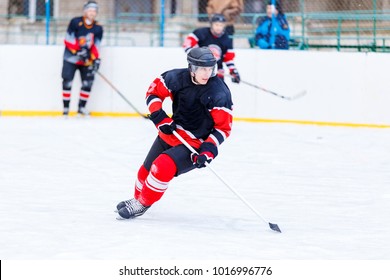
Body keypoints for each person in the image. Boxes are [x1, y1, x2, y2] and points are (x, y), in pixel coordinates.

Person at [116, 47, 233, 219]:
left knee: (162, 166)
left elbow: (223, 128)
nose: (207, 74)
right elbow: (154, 92)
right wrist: (159, 117)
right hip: (172, 133)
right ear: (191, 67)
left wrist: (208, 150)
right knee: (145, 171)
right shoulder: (176, 78)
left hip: (194, 144)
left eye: (210, 69)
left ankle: (142, 204)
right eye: (202, 69)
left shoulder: (219, 93)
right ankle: (137, 199)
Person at [61, 1, 103, 116]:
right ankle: (66, 108)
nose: (92, 13)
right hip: (71, 58)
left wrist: (95, 59)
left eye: (94, 11)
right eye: (90, 10)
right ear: (85, 11)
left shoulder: (98, 28)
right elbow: (68, 39)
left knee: (87, 83)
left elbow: (96, 45)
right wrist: (78, 51)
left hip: (86, 60)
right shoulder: (75, 22)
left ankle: (81, 108)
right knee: (67, 82)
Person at [182, 13, 241, 84]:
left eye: (221, 25)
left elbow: (228, 58)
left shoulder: (226, 39)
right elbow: (187, 45)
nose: (218, 27)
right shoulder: (201, 33)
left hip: (217, 72)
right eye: (216, 25)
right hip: (200, 71)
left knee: (219, 93)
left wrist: (233, 71)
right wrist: (196, 56)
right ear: (211, 25)